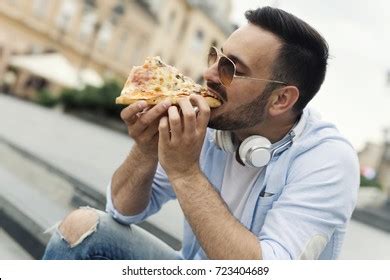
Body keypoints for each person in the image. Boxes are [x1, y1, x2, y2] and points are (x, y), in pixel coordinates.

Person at [43, 6, 359, 260]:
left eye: (231, 69)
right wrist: (146, 147)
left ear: (281, 100)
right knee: (81, 228)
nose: (208, 74)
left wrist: (186, 173)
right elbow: (123, 210)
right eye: (215, 56)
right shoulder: (210, 122)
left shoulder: (328, 160)